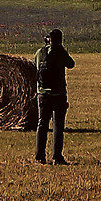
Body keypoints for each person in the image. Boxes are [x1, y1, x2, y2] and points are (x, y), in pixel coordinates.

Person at [33, 27, 75, 164]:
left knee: (42, 125)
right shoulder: (59, 52)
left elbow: (35, 68)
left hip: (42, 94)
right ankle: (57, 157)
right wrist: (62, 49)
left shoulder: (39, 53)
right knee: (58, 126)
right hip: (58, 94)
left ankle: (39, 157)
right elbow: (71, 64)